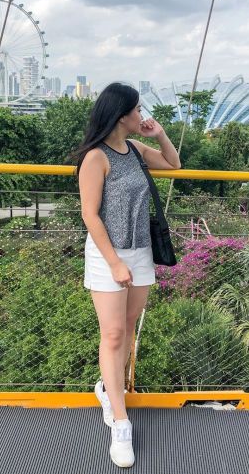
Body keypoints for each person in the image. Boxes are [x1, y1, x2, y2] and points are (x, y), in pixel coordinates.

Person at [69, 82, 181, 468]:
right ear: (121, 115)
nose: (141, 116)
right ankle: (120, 421)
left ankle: (107, 387)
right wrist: (115, 262)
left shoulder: (134, 150)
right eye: (136, 111)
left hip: (141, 252)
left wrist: (160, 133)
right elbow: (89, 214)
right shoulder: (95, 158)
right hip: (107, 255)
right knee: (113, 333)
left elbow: (173, 165)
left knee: (129, 325)